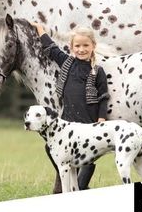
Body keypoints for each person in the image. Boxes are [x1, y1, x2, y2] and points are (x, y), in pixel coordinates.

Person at [31, 23, 110, 192]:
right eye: (78, 46)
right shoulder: (67, 63)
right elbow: (51, 49)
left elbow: (103, 97)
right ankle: (64, 171)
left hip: (87, 124)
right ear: (71, 47)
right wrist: (39, 29)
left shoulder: (97, 71)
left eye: (85, 45)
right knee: (49, 147)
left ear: (93, 46)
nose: (81, 49)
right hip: (67, 122)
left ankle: (83, 186)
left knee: (86, 162)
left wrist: (101, 119)